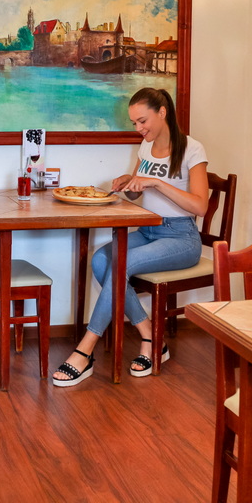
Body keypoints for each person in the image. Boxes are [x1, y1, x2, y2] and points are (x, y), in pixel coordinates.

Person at [52, 87, 209, 386]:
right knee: (101, 260)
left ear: (162, 112)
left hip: (181, 237)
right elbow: (138, 194)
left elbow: (201, 206)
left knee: (121, 262)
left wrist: (157, 183)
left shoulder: (192, 149)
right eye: (134, 122)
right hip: (148, 231)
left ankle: (85, 350)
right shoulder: (145, 147)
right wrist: (130, 183)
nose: (138, 128)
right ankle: (151, 336)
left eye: (142, 121)